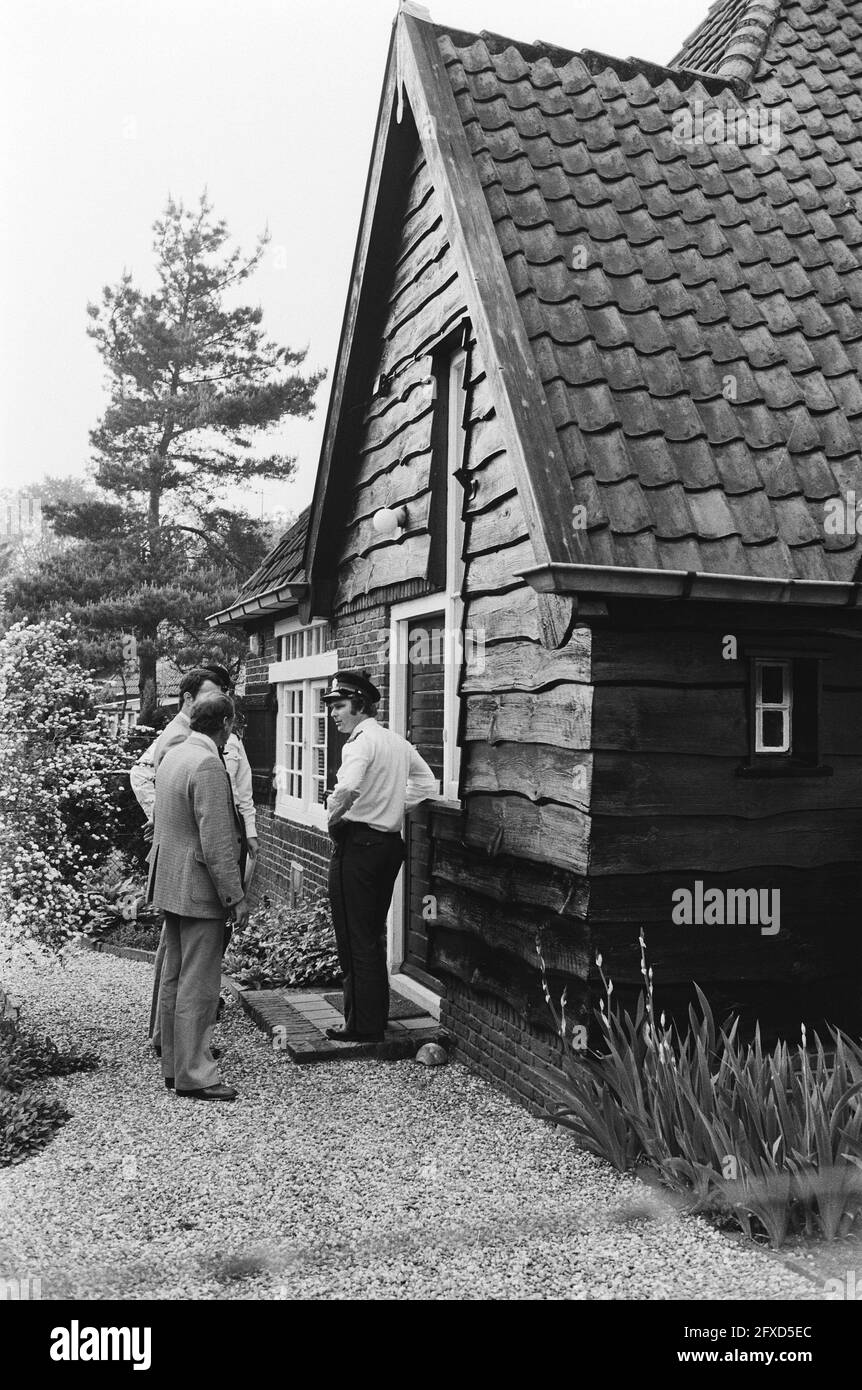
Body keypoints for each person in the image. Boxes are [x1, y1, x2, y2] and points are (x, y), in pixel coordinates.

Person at [323, 670, 438, 1043]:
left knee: (355, 937)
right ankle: (373, 1018)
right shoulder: (396, 741)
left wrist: (332, 817)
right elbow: (426, 783)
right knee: (371, 934)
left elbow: (350, 786)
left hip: (359, 847)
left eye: (339, 706)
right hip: (388, 847)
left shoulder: (359, 743)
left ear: (360, 705)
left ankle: (362, 1026)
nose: (333, 714)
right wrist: (392, 807)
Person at [147, 691, 248, 1101]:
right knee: (200, 984)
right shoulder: (208, 763)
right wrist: (234, 896)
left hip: (171, 882)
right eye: (232, 725)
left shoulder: (174, 754)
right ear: (225, 724)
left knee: (174, 975)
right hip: (199, 887)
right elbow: (217, 841)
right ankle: (194, 1074)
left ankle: (175, 1066)